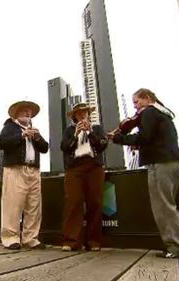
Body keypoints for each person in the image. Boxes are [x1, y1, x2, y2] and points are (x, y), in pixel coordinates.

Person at [108, 88, 179, 258]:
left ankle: (176, 247)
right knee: (170, 206)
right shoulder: (163, 113)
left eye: (136, 102)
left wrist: (119, 138)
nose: (135, 107)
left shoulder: (149, 112)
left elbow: (144, 137)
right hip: (173, 163)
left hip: (159, 164)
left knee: (163, 208)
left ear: (147, 98)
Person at [0, 100, 49, 250]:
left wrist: (37, 137)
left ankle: (30, 238)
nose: (28, 113)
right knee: (12, 204)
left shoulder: (35, 131)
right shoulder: (10, 127)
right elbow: (1, 143)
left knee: (34, 205)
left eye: (30, 111)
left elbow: (45, 148)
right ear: (17, 113)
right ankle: (10, 237)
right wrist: (21, 135)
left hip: (33, 170)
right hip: (15, 169)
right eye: (24, 111)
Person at [60, 103, 108, 251]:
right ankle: (71, 241)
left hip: (94, 167)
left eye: (84, 112)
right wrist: (75, 135)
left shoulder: (97, 128)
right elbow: (64, 147)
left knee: (95, 202)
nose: (82, 115)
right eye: (78, 113)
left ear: (88, 113)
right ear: (75, 116)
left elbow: (102, 145)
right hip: (75, 168)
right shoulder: (69, 130)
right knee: (74, 201)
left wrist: (91, 132)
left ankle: (93, 241)